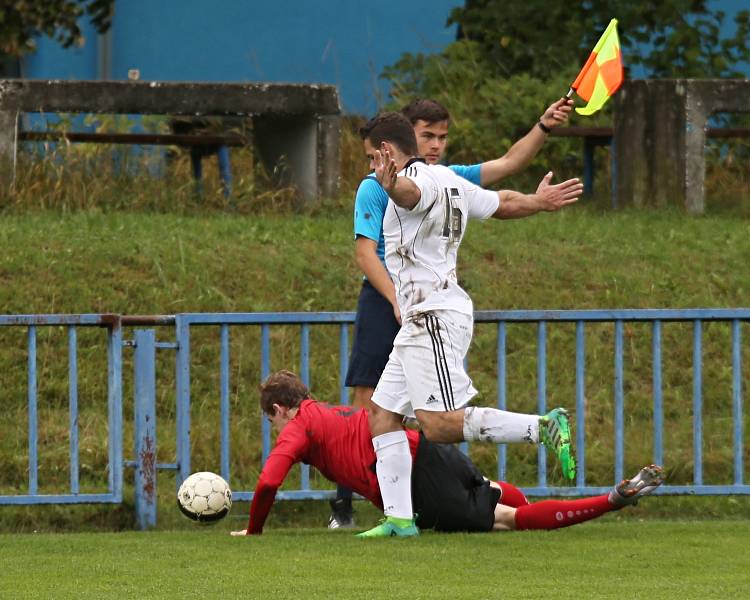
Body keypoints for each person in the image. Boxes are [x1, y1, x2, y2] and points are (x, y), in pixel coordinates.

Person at [336, 97, 574, 528]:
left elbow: (410, 194)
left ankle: (543, 426)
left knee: (438, 426)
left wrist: (392, 185)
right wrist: (537, 203)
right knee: (382, 414)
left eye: (374, 156)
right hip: (419, 318)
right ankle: (399, 520)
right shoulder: (448, 178)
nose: (371, 165)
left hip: (434, 317)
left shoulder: (413, 182)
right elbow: (500, 201)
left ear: (388, 152)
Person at [231, 371, 665, 536]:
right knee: (492, 491)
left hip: (420, 486)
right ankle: (539, 504)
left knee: (507, 521)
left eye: (272, 421)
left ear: (279, 409)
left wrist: (254, 531)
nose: (275, 430)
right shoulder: (325, 411)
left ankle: (612, 500)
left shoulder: (299, 425)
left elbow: (269, 481)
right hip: (431, 452)